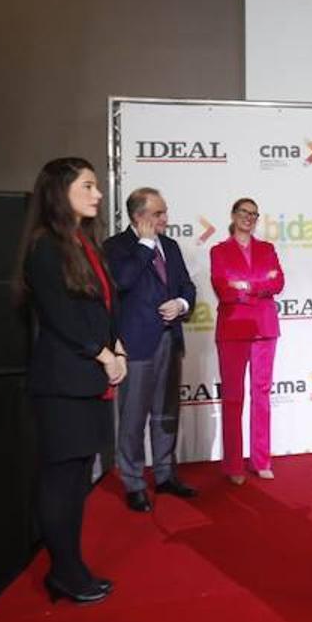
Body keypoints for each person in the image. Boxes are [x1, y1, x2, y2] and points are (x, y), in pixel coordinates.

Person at [15, 157, 123, 605]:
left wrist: (118, 349)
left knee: (78, 477)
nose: (98, 194)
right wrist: (102, 354)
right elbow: (61, 317)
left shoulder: (85, 243)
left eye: (97, 186)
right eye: (88, 186)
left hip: (90, 379)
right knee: (61, 480)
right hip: (63, 383)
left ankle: (70, 565)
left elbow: (102, 310)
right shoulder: (45, 247)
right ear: (61, 193)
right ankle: (64, 571)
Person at [104, 188, 199, 513]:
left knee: (166, 413)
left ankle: (164, 475)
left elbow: (187, 285)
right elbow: (122, 281)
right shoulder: (116, 247)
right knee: (132, 417)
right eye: (158, 214)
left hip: (169, 340)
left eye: (165, 212)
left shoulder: (170, 246)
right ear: (138, 217)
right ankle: (133, 482)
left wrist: (182, 303)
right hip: (136, 345)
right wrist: (145, 246)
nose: (165, 219)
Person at [209, 198, 284, 485]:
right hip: (233, 328)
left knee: (262, 395)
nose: (249, 218)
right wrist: (258, 285)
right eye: (244, 212)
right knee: (232, 397)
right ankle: (233, 465)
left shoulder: (267, 249)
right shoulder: (219, 250)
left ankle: (261, 459)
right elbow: (223, 287)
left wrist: (245, 285)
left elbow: (277, 283)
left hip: (265, 328)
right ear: (233, 215)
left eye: (253, 214)